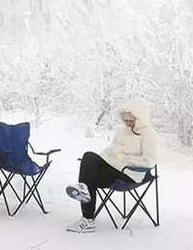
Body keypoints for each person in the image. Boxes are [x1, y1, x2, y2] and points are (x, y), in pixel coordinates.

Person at [65, 97, 157, 233]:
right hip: (115, 168)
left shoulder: (149, 134)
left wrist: (124, 158)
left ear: (141, 118)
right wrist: (103, 159)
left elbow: (149, 161)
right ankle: (87, 218)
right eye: (126, 120)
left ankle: (86, 206)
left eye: (131, 121)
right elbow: (112, 150)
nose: (128, 123)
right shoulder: (122, 131)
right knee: (89, 159)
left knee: (89, 174)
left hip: (131, 173)